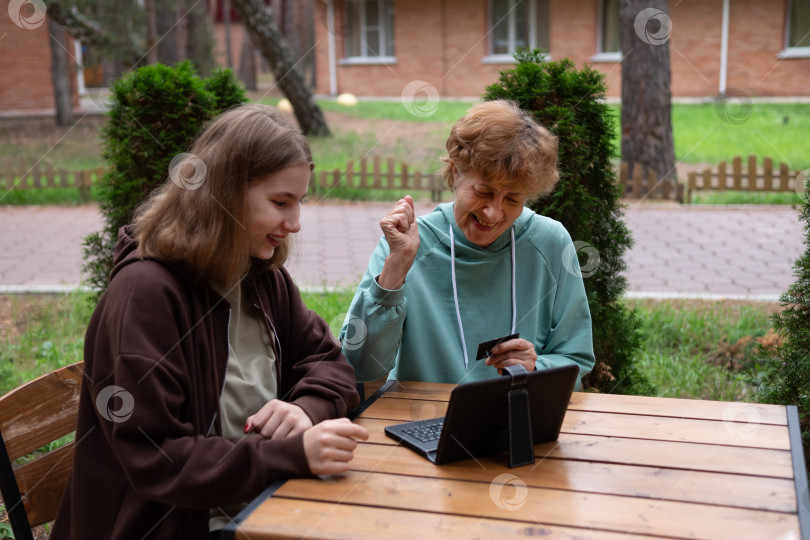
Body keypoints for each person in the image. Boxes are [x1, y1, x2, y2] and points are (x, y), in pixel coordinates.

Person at [51, 104, 367, 540]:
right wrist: (291, 455)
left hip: (265, 507)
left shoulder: (262, 279)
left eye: (298, 203)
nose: (294, 224)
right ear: (224, 193)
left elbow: (328, 363)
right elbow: (157, 457)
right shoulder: (146, 295)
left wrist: (302, 410)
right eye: (280, 202)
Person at [339, 100, 595, 388]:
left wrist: (536, 366)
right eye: (483, 192)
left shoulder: (550, 242)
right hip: (421, 420)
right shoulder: (406, 245)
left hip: (514, 415)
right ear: (455, 172)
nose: (493, 213)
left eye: (513, 199)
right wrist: (395, 270)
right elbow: (358, 368)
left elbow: (576, 358)